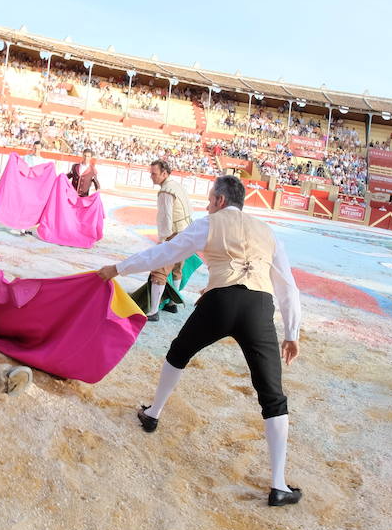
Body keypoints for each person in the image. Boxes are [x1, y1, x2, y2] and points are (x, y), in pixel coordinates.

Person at [96, 175, 302, 506]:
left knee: (179, 352)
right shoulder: (269, 232)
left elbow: (164, 252)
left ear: (220, 201)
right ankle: (278, 485)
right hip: (258, 308)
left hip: (219, 301)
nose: (207, 205)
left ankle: (154, 413)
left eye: (209, 200)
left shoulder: (209, 223)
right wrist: (292, 332)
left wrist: (118, 268)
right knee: (272, 394)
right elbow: (287, 286)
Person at [146, 159, 193, 321]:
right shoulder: (178, 186)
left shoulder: (165, 191)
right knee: (177, 267)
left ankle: (153, 311)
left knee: (159, 271)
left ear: (164, 173)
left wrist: (163, 240)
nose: (151, 176)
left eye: (154, 173)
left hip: (175, 234)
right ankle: (172, 303)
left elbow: (165, 218)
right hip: (187, 232)